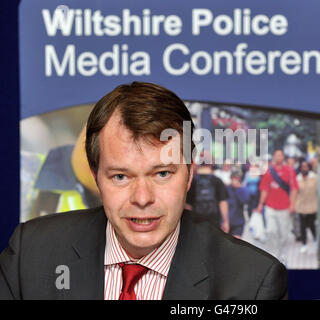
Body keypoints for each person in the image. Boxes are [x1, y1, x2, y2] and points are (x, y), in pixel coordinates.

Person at [0, 82, 287, 300]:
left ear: (190, 174)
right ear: (96, 177)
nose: (142, 198)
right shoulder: (31, 256)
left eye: (162, 174)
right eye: (121, 176)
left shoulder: (252, 283)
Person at [256, 149, 298, 264]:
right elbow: (264, 190)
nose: (278, 157)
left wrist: (292, 205)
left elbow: (294, 189)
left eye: (280, 155)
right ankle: (273, 256)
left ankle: (282, 255)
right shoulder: (268, 172)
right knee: (271, 231)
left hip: (284, 208)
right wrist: (260, 204)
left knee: (283, 234)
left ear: (283, 157)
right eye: (276, 155)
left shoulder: (289, 171)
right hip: (270, 207)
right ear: (274, 157)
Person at [186, 154, 230, 233]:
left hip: (196, 219)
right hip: (214, 219)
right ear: (211, 164)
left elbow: (188, 204)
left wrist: (187, 222)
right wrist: (226, 221)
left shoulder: (193, 181)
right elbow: (223, 202)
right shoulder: (217, 180)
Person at [295, 160, 318, 253]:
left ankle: (316, 241)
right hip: (301, 206)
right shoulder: (297, 178)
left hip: (312, 206)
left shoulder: (315, 177)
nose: (304, 168)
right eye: (302, 167)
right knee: (302, 226)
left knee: (312, 225)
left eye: (306, 167)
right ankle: (304, 244)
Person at [226, 171, 250, 238]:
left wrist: (238, 189)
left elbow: (245, 201)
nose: (235, 180)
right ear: (231, 178)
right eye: (234, 178)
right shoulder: (226, 188)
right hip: (227, 221)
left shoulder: (243, 190)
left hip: (238, 222)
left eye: (237, 179)